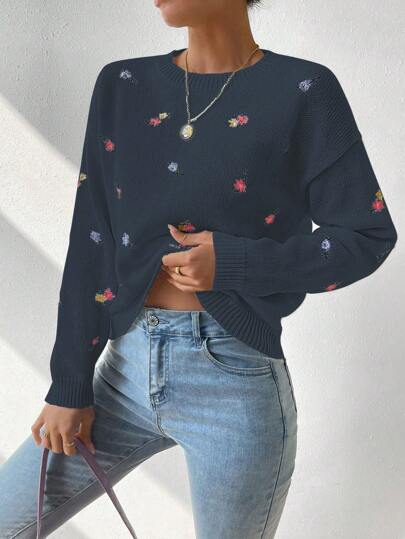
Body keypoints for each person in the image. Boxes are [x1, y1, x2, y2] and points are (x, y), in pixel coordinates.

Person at [0, 0, 398, 537]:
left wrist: (233, 263)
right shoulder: (122, 84)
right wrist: (69, 383)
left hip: (235, 381)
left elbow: (366, 236)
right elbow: (92, 239)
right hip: (122, 373)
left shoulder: (304, 90)